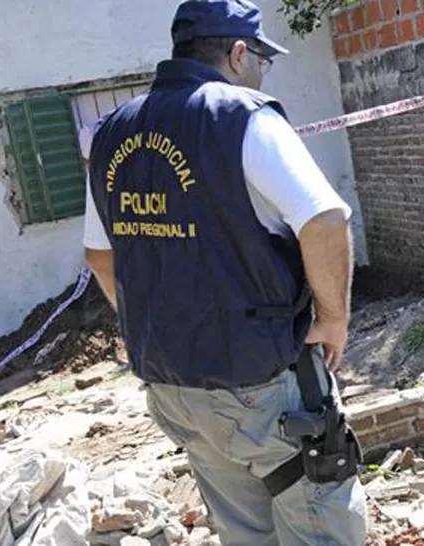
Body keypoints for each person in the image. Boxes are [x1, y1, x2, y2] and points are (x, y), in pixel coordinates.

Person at [82, 1, 368, 544]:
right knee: (321, 524)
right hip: (260, 384)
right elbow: (325, 217)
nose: (262, 70)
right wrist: (333, 318)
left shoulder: (110, 133)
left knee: (245, 530)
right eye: (262, 57)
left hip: (174, 386)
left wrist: (160, 324)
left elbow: (100, 257)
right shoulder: (241, 117)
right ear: (239, 53)